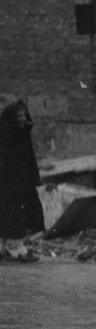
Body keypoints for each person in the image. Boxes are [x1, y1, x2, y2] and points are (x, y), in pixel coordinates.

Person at [0, 101, 43, 262]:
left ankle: (2, 248)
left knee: (8, 215)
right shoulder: (9, 136)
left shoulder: (19, 134)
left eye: (24, 115)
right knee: (15, 215)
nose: (22, 118)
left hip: (19, 181)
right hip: (11, 183)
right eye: (18, 116)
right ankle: (20, 251)